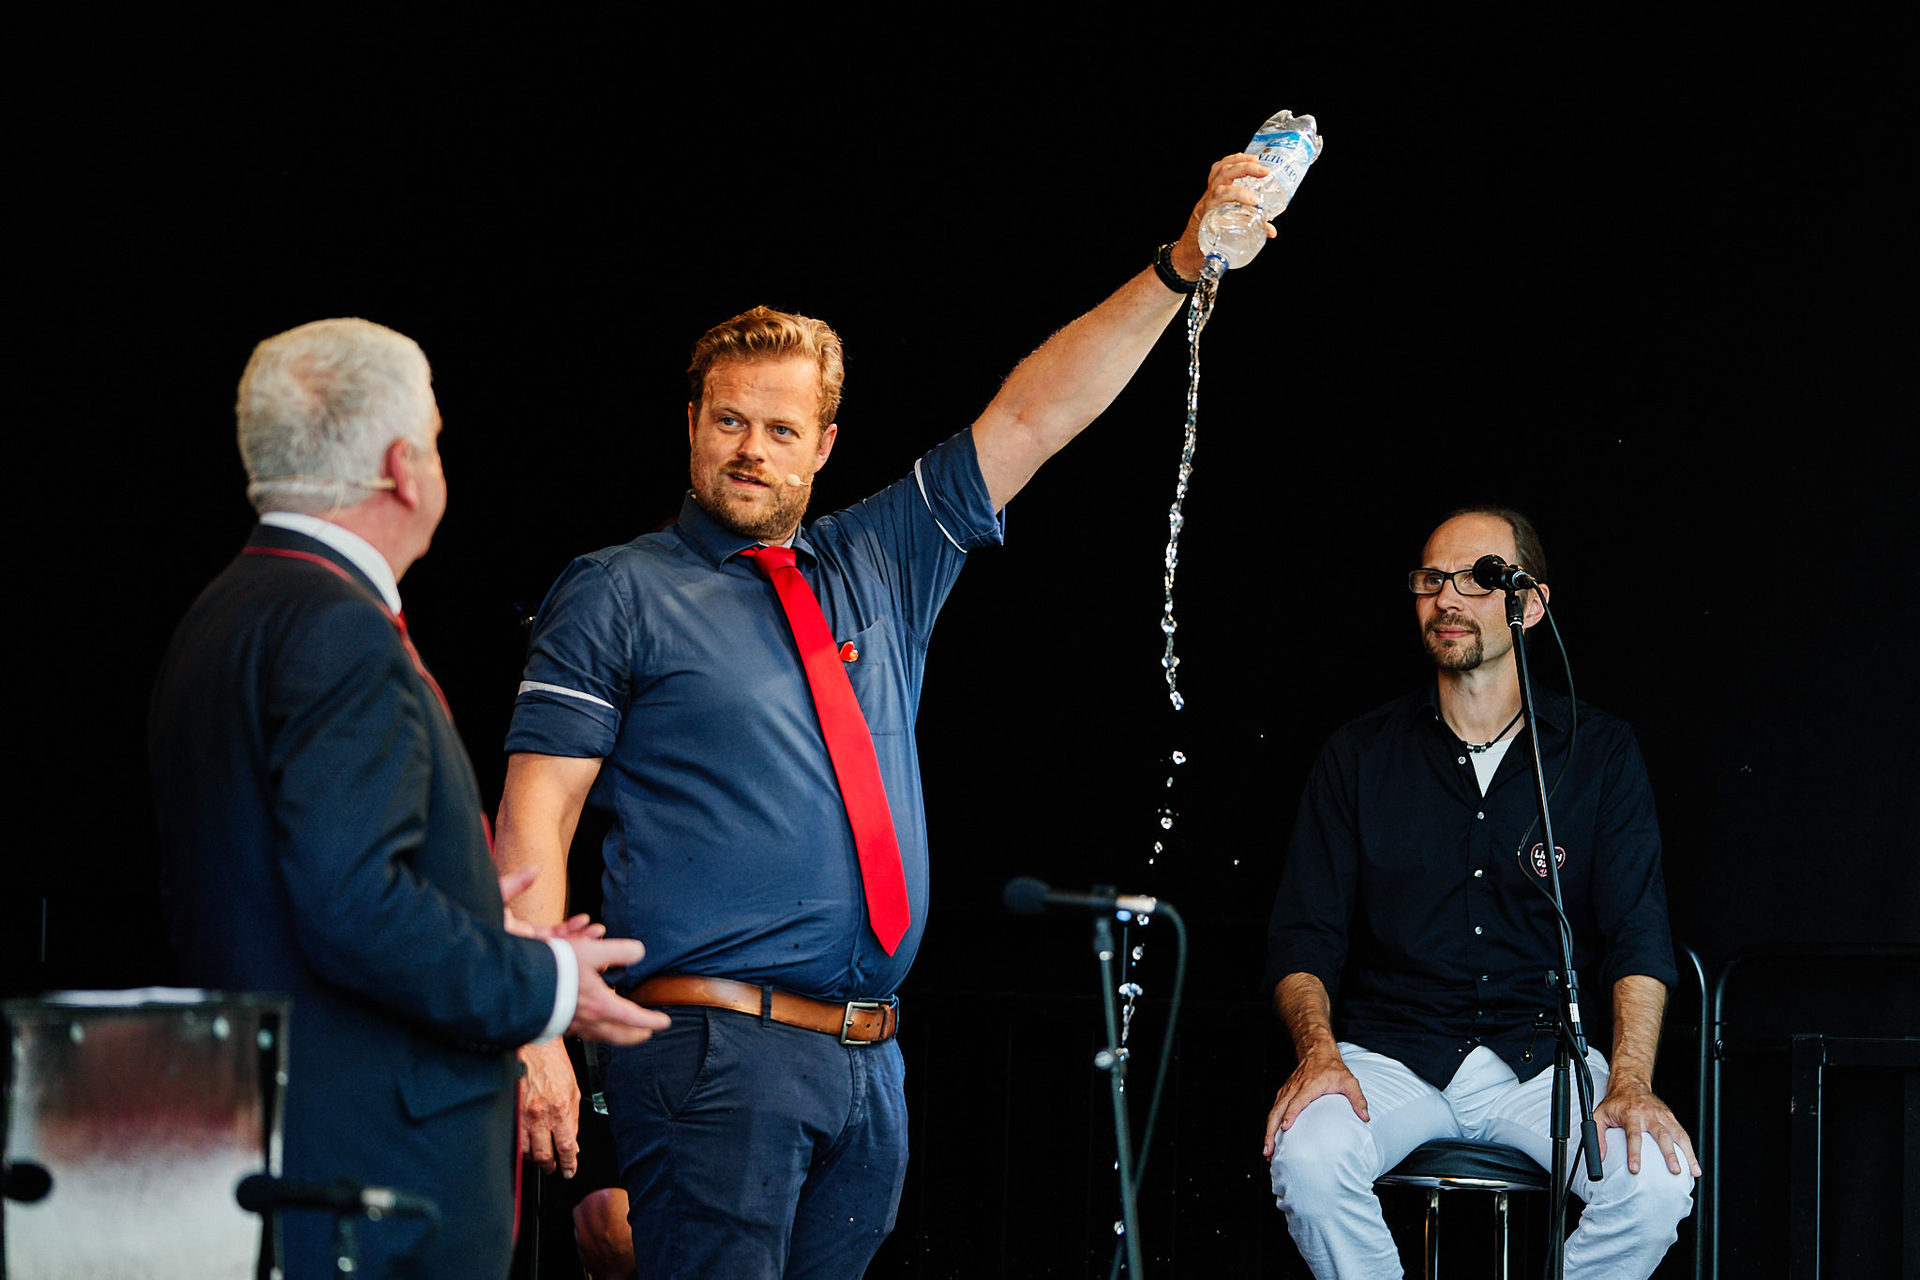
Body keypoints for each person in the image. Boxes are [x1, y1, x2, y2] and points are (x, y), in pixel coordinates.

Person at [492, 153, 1277, 1278]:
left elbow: (1032, 415)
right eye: (729, 420)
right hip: (712, 1045)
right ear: (691, 424)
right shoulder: (618, 588)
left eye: (780, 428)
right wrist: (533, 1022)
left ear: (823, 445)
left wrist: (1180, 263)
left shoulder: (876, 558)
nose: (751, 448)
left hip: (868, 1057)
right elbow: (536, 815)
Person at [149, 318, 669, 1280]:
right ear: (402, 466)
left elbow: (280, 879)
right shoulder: (339, 630)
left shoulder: (225, 611)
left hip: (272, 1143)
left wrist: (464, 903)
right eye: (432, 436)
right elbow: (353, 905)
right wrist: (544, 982)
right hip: (368, 1176)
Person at [1259, 507, 1701, 1278]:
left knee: (1656, 1184)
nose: (1447, 598)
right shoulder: (1359, 755)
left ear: (1531, 605)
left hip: (1543, 1061)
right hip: (1392, 1053)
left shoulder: (1598, 752)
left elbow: (1639, 934)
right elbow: (1305, 936)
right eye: (1432, 579)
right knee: (1308, 1158)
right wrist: (1318, 1053)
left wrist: (1631, 1080)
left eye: (1477, 579)